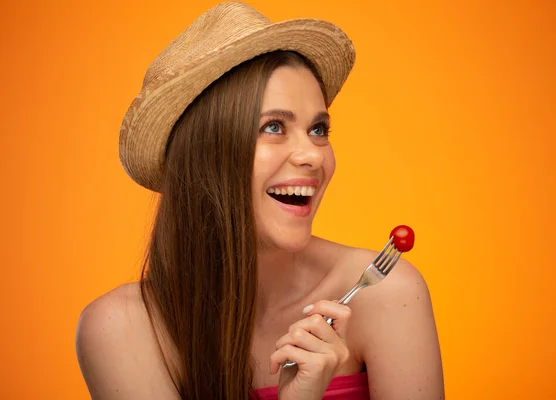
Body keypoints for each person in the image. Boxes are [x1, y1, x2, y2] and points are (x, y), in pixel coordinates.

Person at [75, 2, 444, 399]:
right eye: (274, 127)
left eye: (318, 129)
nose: (313, 155)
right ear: (205, 154)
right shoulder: (122, 327)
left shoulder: (387, 295)